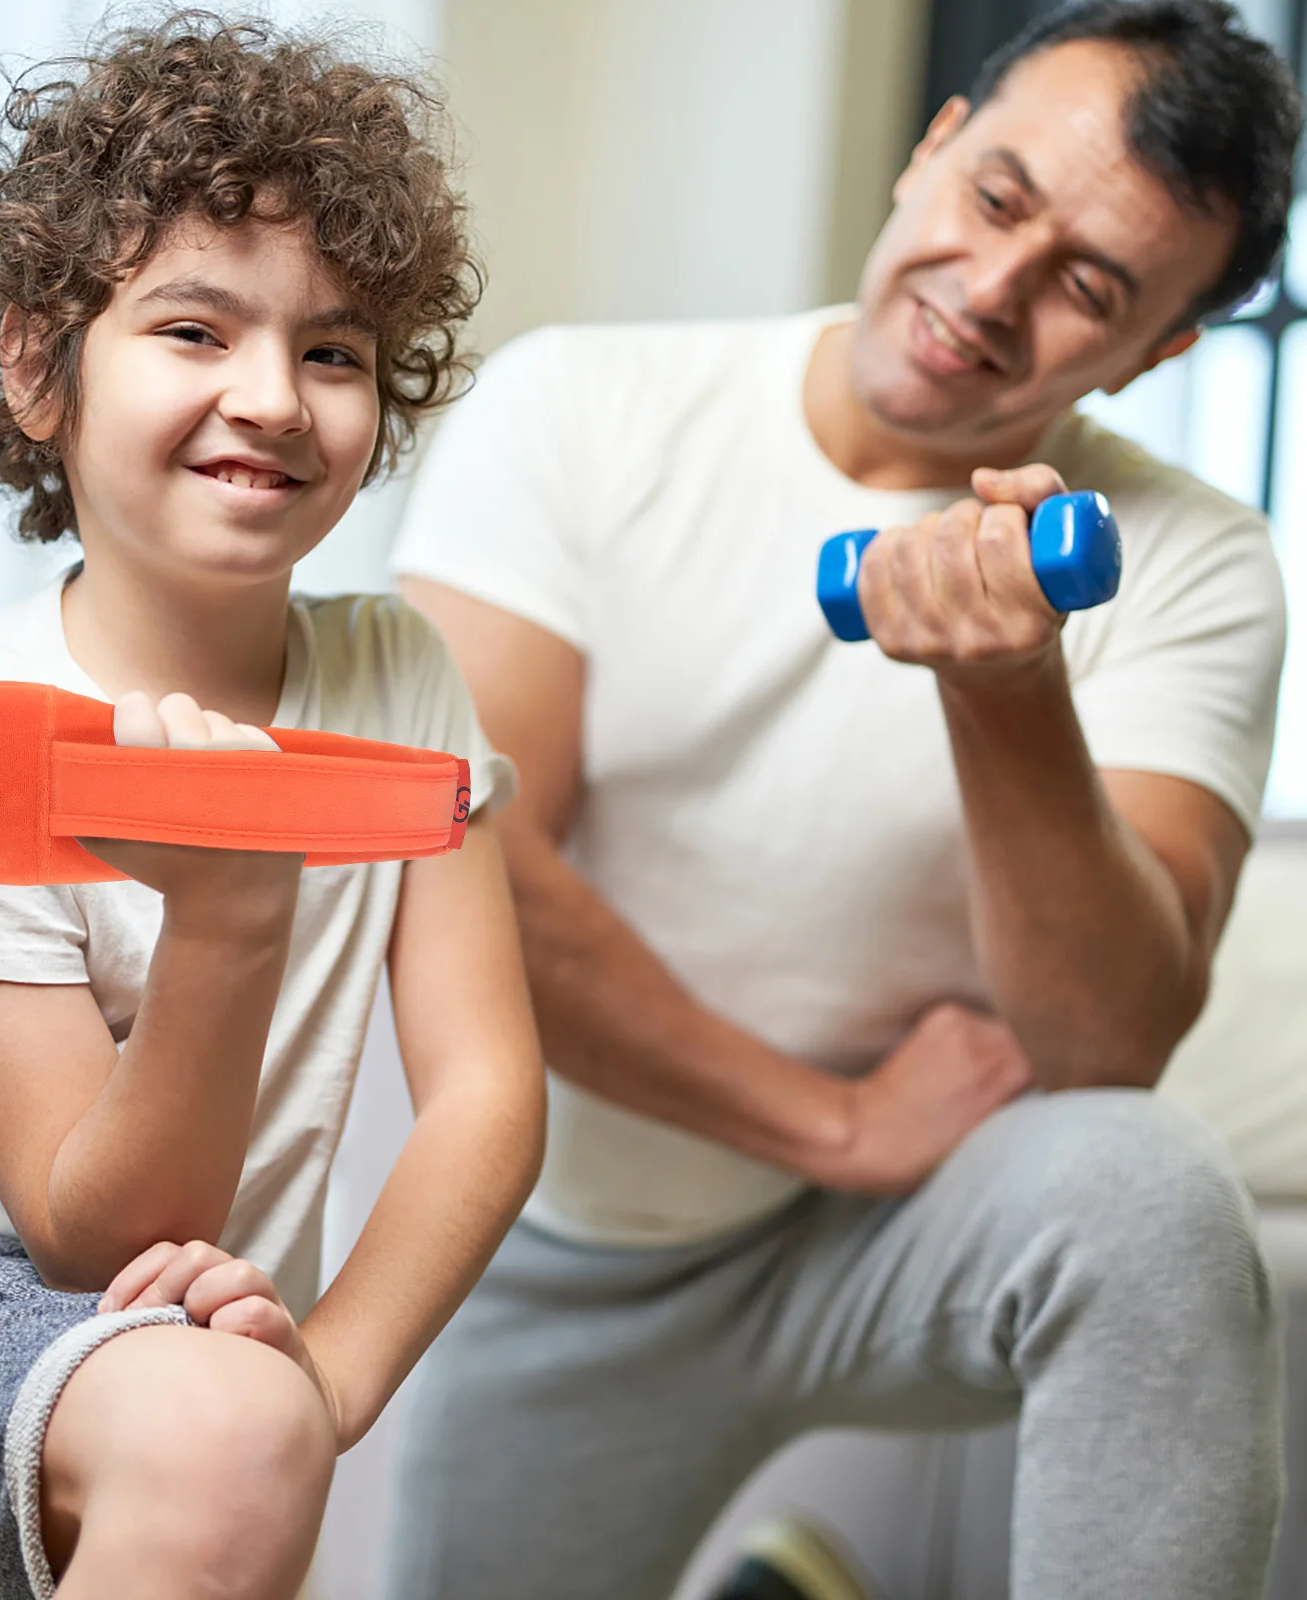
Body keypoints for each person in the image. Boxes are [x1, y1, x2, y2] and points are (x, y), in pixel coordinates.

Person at [383, 3, 1300, 1598]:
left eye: (1089, 285)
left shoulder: (1194, 559)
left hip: (906, 1235)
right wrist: (833, 1118)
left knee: (1147, 1196)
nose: (991, 293)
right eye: (999, 197)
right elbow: (467, 868)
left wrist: (1006, 690)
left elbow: (1103, 1045)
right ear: (932, 150)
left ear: (1159, 353)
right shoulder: (577, 412)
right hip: (584, 1238)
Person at [0, 15, 545, 1600]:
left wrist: (333, 1380)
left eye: (334, 349)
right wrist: (229, 906)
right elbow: (94, 1235)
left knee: (247, 1431)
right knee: (224, 1436)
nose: (275, 397)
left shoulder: (402, 672)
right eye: (193, 330)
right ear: (40, 367)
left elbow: (490, 1094)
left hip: (162, 1330)